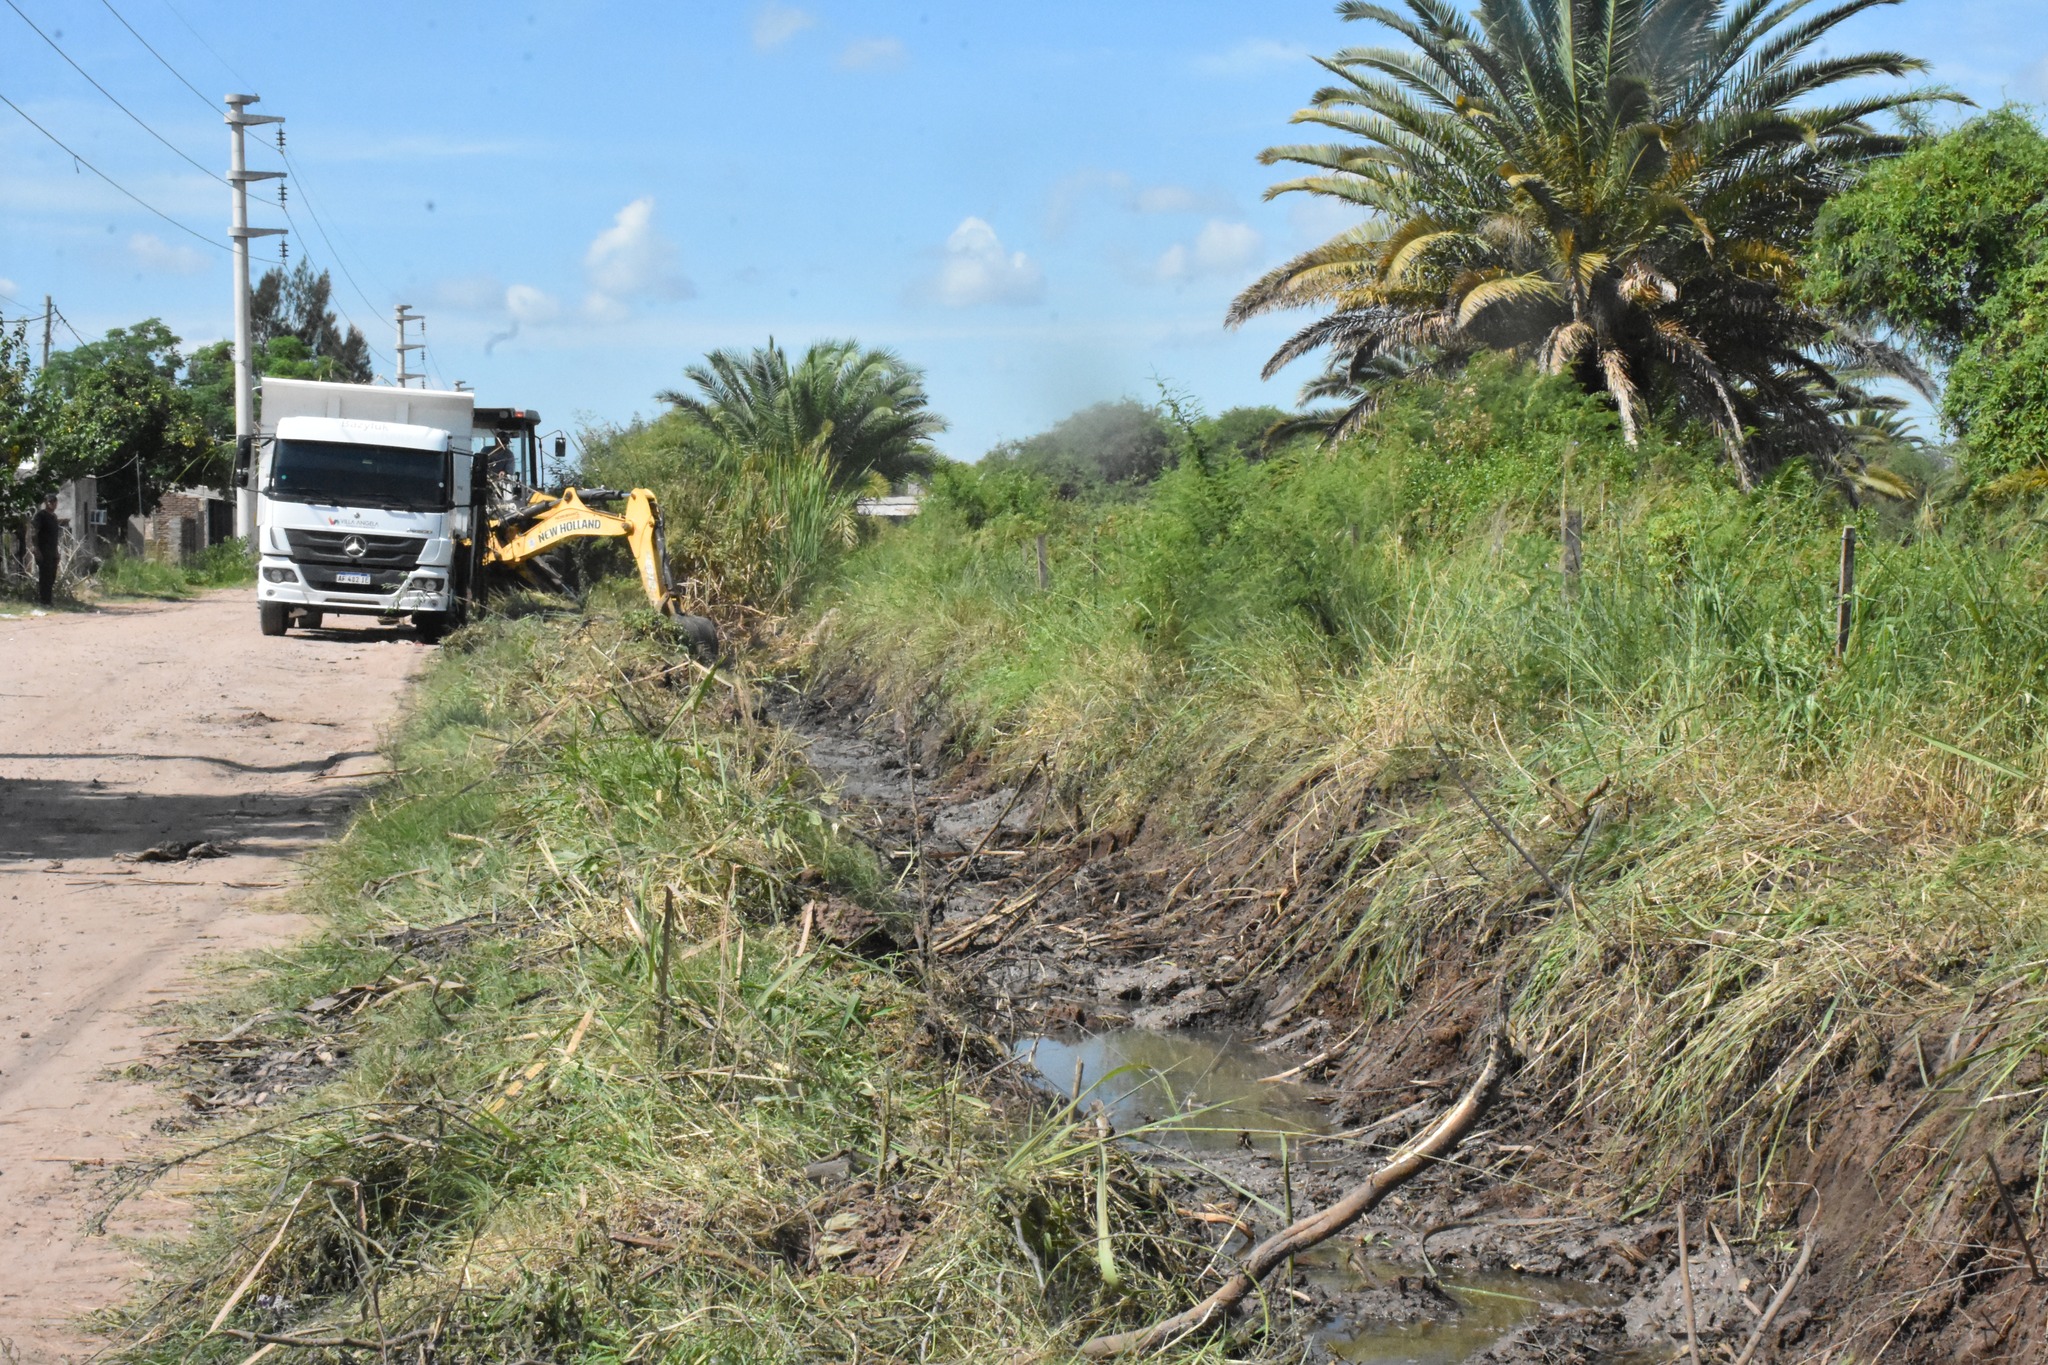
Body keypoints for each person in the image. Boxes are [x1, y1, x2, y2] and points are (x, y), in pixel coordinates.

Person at [32, 493, 65, 607]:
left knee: (52, 576)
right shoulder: (40, 516)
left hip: (52, 551)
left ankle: (48, 600)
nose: (52, 504)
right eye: (50, 502)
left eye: (54, 501)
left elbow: (54, 537)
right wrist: (36, 548)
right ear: (45, 503)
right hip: (43, 550)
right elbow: (34, 532)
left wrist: (56, 552)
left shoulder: (54, 517)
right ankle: (44, 601)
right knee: (45, 576)